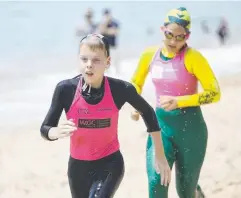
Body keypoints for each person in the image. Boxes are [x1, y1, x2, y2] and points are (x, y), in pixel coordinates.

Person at [40, 34, 171, 198]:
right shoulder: (65, 90)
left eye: (96, 60)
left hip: (110, 164)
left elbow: (148, 112)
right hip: (77, 168)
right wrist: (56, 132)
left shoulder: (120, 89)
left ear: (107, 62)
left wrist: (159, 154)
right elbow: (45, 128)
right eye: (84, 59)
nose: (89, 65)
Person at [130, 7, 221, 198]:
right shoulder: (149, 55)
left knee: (185, 191)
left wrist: (180, 102)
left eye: (181, 37)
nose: (173, 41)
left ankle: (196, 193)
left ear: (188, 36)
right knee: (157, 182)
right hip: (161, 128)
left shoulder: (193, 58)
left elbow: (215, 93)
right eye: (170, 35)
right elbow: (136, 83)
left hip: (192, 131)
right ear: (162, 29)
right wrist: (135, 104)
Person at [97, 9, 120, 73]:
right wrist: (106, 26)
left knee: (115, 62)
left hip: (113, 46)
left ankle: (117, 73)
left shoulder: (114, 23)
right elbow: (101, 31)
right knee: (105, 62)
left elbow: (115, 32)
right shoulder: (102, 23)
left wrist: (106, 31)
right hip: (105, 47)